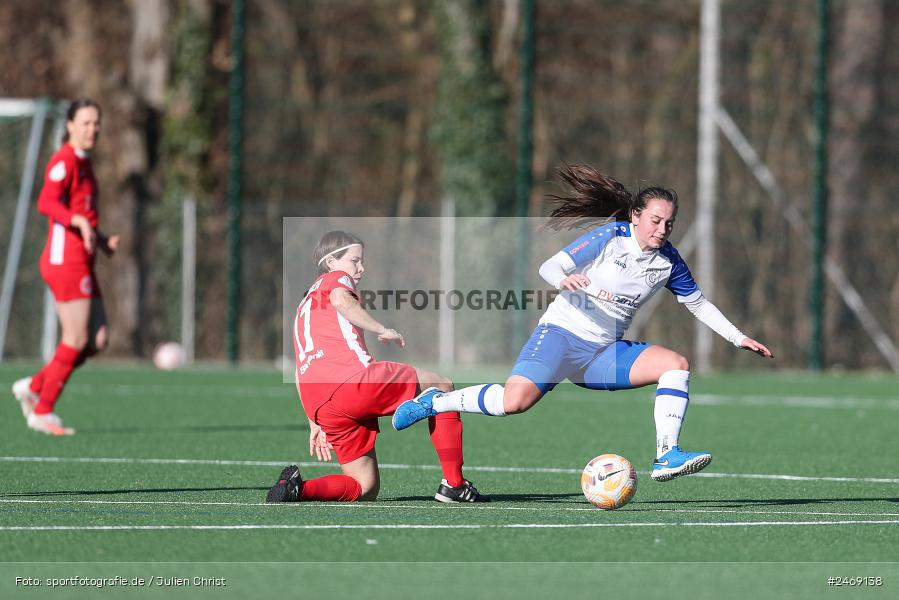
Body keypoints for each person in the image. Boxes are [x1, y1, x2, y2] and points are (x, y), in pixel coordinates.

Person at [393, 164, 773, 482]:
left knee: (676, 365)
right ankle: (436, 401)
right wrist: (564, 280)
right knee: (514, 402)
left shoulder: (668, 261)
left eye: (669, 223)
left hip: (602, 353)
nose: (662, 229)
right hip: (561, 336)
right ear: (635, 216)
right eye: (655, 220)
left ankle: (666, 455)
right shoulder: (611, 237)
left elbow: (698, 304)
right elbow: (550, 266)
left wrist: (738, 337)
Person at [266, 230, 487, 503]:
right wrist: (382, 329)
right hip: (353, 382)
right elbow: (341, 300)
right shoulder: (335, 279)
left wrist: (314, 421)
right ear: (331, 261)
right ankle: (454, 484)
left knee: (365, 487)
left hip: (321, 405)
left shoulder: (304, 305)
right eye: (355, 260)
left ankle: (298, 489)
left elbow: (300, 370)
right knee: (442, 385)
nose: (361, 268)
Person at [11, 99, 119, 436]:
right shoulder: (64, 160)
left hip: (83, 260)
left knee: (96, 340)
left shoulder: (85, 163)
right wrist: (78, 222)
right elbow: (47, 201)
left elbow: (82, 215)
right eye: (85, 122)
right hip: (65, 261)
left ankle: (34, 386)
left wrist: (101, 240)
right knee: (76, 337)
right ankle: (42, 408)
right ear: (70, 125)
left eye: (96, 123)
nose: (92, 129)